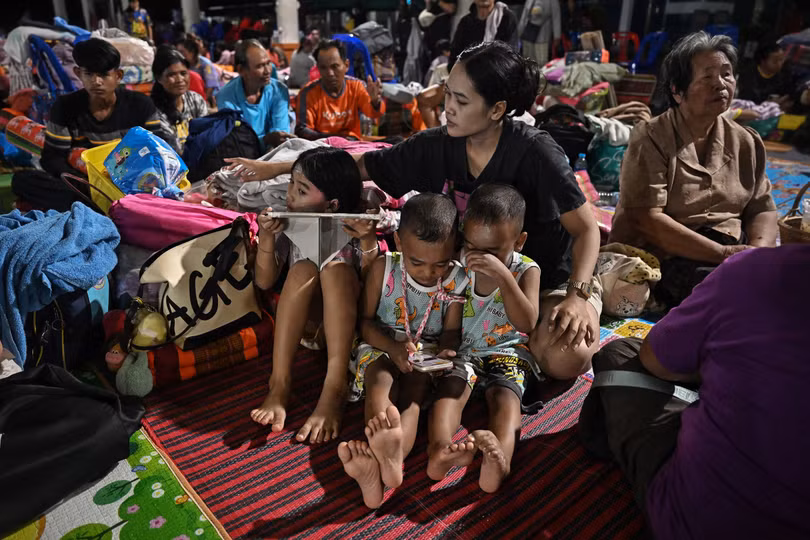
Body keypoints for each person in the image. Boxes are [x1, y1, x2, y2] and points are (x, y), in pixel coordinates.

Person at [227, 42, 602, 382]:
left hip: (539, 280)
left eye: (461, 100)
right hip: (462, 284)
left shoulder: (537, 152)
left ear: (497, 109)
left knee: (566, 357)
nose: (446, 108)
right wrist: (275, 168)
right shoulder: (436, 145)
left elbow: (587, 229)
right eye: (446, 95)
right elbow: (359, 165)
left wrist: (577, 296)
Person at [579, 244, 810, 539]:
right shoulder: (752, 271)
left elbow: (655, 361)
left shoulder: (752, 272)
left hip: (697, 520)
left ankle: (602, 443)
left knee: (620, 356)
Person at [610, 32, 778, 308]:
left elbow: (761, 207)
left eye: (726, 74)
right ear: (677, 91)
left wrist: (758, 253)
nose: (720, 84)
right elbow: (647, 219)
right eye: (708, 77)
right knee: (732, 294)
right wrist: (724, 253)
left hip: (731, 250)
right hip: (666, 255)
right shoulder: (652, 137)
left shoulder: (746, 141)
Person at [338, 193, 468, 509]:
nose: (427, 273)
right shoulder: (384, 268)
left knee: (415, 392)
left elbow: (450, 332)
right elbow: (365, 323)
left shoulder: (456, 280)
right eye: (416, 262)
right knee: (379, 381)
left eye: (440, 262)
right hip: (381, 343)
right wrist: (393, 348)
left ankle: (388, 465)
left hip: (426, 353)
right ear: (397, 241)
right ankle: (384, 455)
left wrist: (446, 353)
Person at [250, 147, 379, 444]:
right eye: (291, 185)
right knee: (301, 270)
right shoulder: (288, 223)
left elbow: (376, 287)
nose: (290, 195)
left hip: (351, 333)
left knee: (336, 269)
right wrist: (267, 237)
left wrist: (369, 239)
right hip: (310, 329)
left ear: (332, 204)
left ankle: (335, 385)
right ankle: (279, 382)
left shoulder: (357, 225)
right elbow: (265, 281)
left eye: (302, 189)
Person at [428, 184, 541, 493]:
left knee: (506, 400)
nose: (478, 257)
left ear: (519, 242)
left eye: (491, 252)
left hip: (507, 352)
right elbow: (449, 321)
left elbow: (527, 321)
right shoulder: (460, 267)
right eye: (471, 245)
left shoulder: (526, 270)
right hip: (465, 352)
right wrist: (446, 349)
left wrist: (504, 277)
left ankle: (499, 460)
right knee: (450, 391)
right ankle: (439, 450)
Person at [39, 38, 170, 181]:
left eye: (103, 75)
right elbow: (53, 158)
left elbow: (159, 150)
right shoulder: (65, 107)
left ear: (118, 76)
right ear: (78, 73)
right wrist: (87, 184)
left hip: (135, 179)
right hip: (85, 181)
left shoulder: (140, 104)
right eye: (89, 74)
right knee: (24, 180)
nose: (96, 82)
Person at [296, 39, 385, 140]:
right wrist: (338, 140)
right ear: (318, 68)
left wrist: (375, 102)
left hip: (352, 147)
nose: (330, 73)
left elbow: (373, 114)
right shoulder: (307, 93)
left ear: (346, 65)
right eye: (323, 68)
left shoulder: (356, 86)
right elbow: (303, 131)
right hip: (320, 148)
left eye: (335, 67)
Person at [216, 39, 293, 150]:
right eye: (260, 66)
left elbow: (281, 134)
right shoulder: (226, 97)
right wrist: (266, 139)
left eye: (268, 63)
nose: (267, 71)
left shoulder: (279, 91)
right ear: (242, 70)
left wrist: (272, 140)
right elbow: (236, 141)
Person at [150, 46, 209, 154]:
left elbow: (207, 135)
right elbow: (174, 151)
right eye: (171, 75)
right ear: (159, 78)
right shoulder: (153, 110)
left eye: (183, 73)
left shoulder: (195, 100)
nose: (180, 80)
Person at [737, 41, 810, 113]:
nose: (779, 64)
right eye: (775, 61)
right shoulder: (748, 75)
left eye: (781, 60)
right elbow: (748, 101)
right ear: (763, 61)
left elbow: (791, 90)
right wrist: (772, 104)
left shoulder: (785, 71)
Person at [449, 0, 519, 68]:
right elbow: (454, 56)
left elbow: (511, 57)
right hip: (468, 75)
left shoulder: (506, 19)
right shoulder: (466, 22)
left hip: (498, 74)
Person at [177, 37, 223, 106]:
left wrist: (201, 103)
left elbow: (210, 87)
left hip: (210, 98)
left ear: (191, 52)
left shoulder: (206, 64)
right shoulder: (184, 64)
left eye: (182, 52)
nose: (179, 54)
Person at [517, 0, 561, 67]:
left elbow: (556, 17)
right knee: (528, 62)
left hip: (543, 37)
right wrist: (518, 34)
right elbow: (524, 17)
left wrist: (557, 36)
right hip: (528, 36)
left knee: (542, 63)